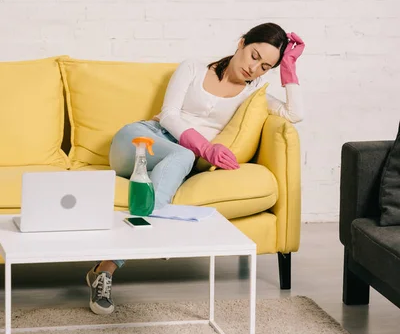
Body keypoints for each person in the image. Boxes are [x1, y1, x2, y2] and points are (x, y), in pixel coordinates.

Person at [86, 22, 305, 315]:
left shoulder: (254, 95)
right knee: (183, 157)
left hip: (174, 160)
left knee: (180, 159)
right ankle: (134, 249)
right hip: (138, 141)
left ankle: (106, 269)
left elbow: (295, 114)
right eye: (254, 56)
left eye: (266, 67)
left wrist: (288, 67)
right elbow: (169, 116)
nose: (255, 69)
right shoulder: (193, 68)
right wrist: (205, 149)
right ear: (241, 42)